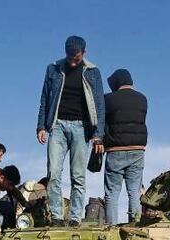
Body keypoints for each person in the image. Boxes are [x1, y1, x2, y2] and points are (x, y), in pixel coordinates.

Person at [37, 35, 106, 227]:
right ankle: (57, 217)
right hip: (57, 125)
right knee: (53, 173)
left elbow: (100, 104)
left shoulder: (93, 72)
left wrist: (98, 135)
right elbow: (44, 99)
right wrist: (41, 126)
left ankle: (75, 218)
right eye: (69, 57)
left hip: (81, 127)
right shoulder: (53, 69)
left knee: (78, 176)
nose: (72, 62)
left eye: (76, 58)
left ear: (84, 53)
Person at [102, 68, 147, 225]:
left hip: (115, 151)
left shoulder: (108, 99)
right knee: (134, 191)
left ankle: (111, 228)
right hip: (137, 149)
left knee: (112, 193)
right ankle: (135, 226)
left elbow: (102, 123)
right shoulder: (143, 99)